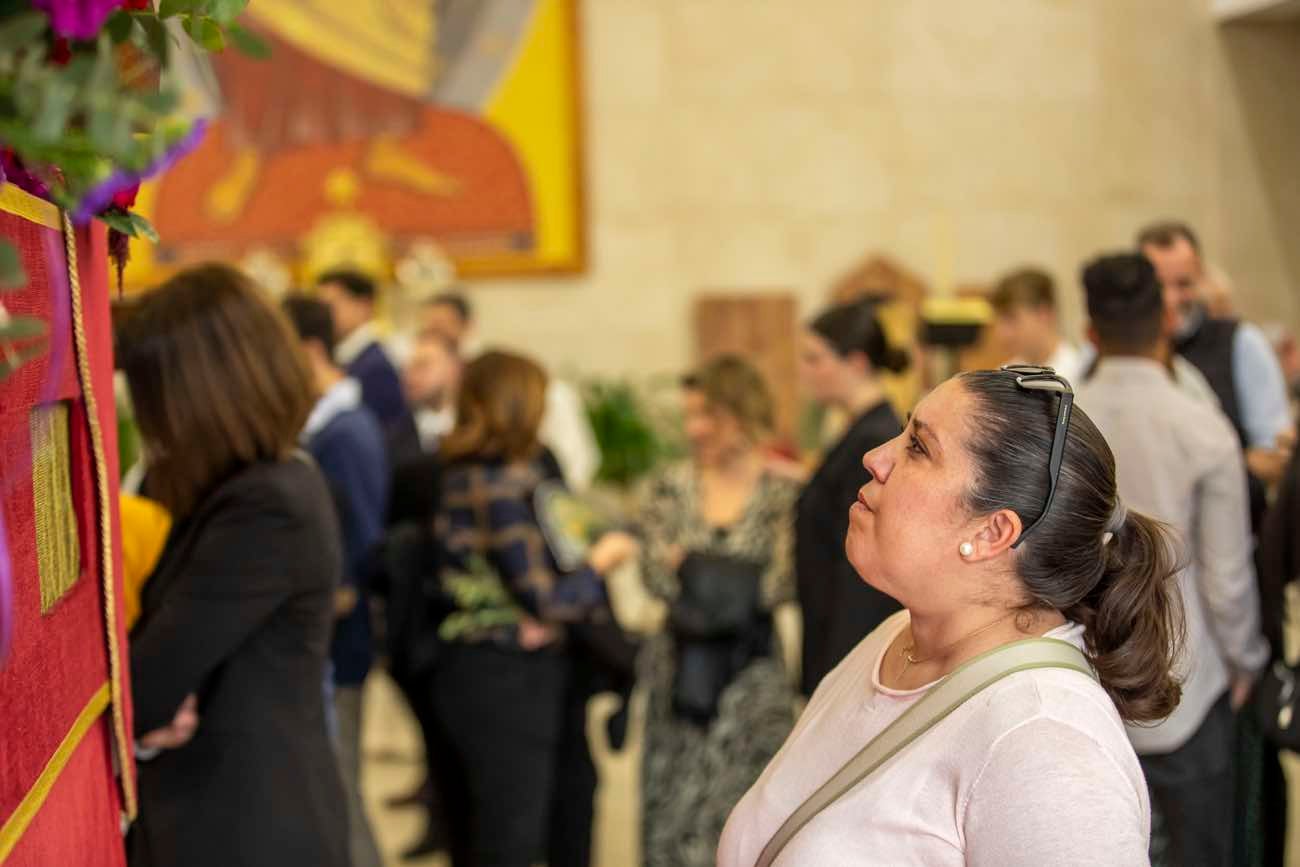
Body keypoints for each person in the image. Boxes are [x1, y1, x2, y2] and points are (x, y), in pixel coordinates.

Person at [719, 363, 1185, 866]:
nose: (875, 457)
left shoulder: (1046, 743)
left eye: (918, 447)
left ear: (991, 533)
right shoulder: (898, 638)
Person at [118, 264, 348, 867]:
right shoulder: (255, 486)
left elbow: (146, 686)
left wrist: (148, 708)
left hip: (245, 825)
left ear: (195, 396)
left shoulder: (265, 505)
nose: (150, 424)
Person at [1075, 252, 1268, 867]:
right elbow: (1226, 578)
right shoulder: (1204, 429)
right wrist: (1246, 662)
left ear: (1090, 332)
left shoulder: (1059, 424)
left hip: (1081, 681)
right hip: (1187, 682)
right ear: (1165, 322)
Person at [431, 350, 638, 867]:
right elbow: (546, 596)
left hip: (533, 671)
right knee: (513, 833)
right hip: (502, 678)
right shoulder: (490, 482)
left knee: (563, 809)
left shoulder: (518, 469)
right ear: (518, 404)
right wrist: (601, 561)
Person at [639, 356, 799, 867]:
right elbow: (655, 575)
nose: (695, 430)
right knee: (672, 815)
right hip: (679, 670)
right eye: (689, 416)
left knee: (749, 813)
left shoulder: (782, 492)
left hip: (752, 675)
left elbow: (780, 584)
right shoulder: (670, 486)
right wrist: (734, 575)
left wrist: (694, 566)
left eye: (708, 415)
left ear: (742, 413)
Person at [282, 294, 388, 867]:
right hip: (329, 636)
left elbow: (362, 539)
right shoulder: (329, 424)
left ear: (309, 350)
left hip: (339, 643)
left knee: (341, 793)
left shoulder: (347, 431)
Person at [795, 300, 906, 696]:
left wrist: (839, 677)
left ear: (856, 363)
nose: (804, 371)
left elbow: (861, 569)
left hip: (846, 642)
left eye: (814, 359)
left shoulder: (872, 438)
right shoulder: (858, 429)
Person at [1138, 221, 1293, 490]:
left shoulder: (1241, 343)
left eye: (1183, 284)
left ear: (1200, 277)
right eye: (1159, 286)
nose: (1170, 299)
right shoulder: (1115, 352)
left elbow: (1274, 457)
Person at [423, 291, 601, 492]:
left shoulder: (543, 454)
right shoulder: (442, 464)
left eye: (441, 326)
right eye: (428, 328)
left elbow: (575, 463)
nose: (434, 334)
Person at [316, 267, 421, 462]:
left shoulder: (376, 367)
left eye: (330, 306)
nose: (322, 316)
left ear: (364, 305)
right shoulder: (346, 358)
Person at [990, 266, 1086, 383]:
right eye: (998, 320)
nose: (1001, 332)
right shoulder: (1002, 379)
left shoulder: (1081, 376)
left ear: (1043, 314)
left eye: (1010, 318)